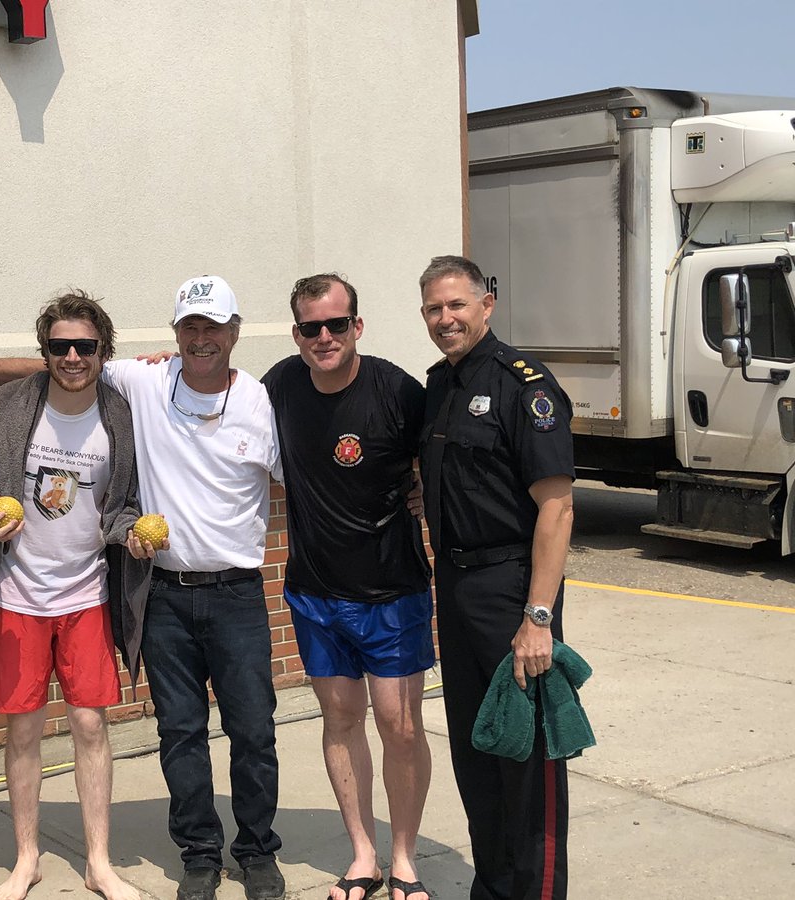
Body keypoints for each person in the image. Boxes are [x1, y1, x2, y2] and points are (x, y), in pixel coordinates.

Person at [0, 275, 286, 900]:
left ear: (234, 332)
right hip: (94, 593)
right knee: (171, 732)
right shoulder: (94, 393)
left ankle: (244, 853)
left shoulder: (222, 401)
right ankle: (188, 855)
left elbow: (124, 502)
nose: (72, 357)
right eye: (189, 327)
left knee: (248, 729)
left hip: (194, 593)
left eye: (212, 326)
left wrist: (406, 491)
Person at [0, 291, 150, 900]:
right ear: (44, 350)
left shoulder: (119, 415)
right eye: (60, 346)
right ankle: (27, 859)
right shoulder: (10, 406)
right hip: (18, 593)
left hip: (86, 594)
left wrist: (131, 535)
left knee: (90, 725)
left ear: (103, 351)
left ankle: (99, 862)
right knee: (22, 731)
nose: (73, 357)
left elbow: (121, 505)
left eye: (85, 346)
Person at [261, 274, 434, 900]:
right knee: (340, 719)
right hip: (315, 590)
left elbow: (451, 455)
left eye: (337, 324)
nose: (325, 337)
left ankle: (405, 859)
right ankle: (363, 855)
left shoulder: (397, 391)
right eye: (311, 328)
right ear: (297, 334)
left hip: (393, 592)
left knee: (400, 726)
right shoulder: (279, 386)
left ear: (357, 326)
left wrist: (430, 490)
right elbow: (212, 409)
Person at [417, 255, 575, 900]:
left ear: (487, 304)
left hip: (514, 588)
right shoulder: (438, 385)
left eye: (457, 304)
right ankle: (493, 888)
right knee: (477, 750)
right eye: (434, 308)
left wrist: (538, 618)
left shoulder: (524, 385)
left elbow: (557, 507)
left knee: (528, 759)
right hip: (456, 588)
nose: (445, 318)